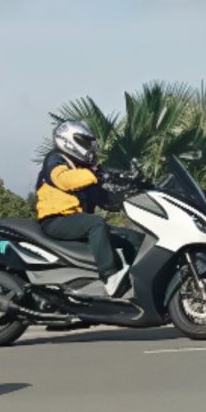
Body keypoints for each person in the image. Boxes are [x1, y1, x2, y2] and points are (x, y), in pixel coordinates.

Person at [36, 121, 130, 297]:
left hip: (78, 221)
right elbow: (63, 180)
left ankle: (137, 285)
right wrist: (94, 174)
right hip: (56, 221)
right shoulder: (56, 159)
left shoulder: (83, 171)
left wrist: (129, 197)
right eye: (85, 143)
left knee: (132, 238)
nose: (90, 148)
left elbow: (104, 200)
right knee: (96, 223)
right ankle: (109, 277)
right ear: (68, 141)